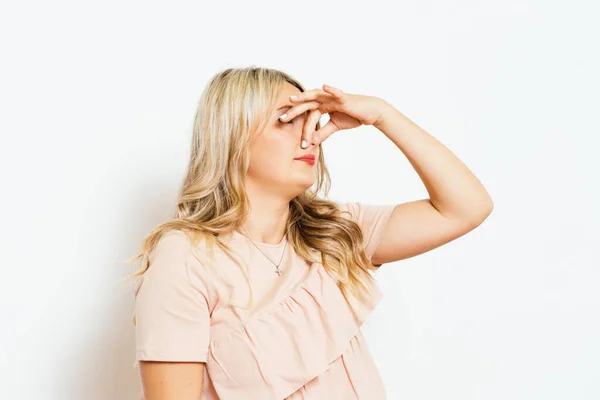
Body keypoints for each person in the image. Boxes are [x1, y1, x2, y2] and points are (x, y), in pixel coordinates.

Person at [127, 66, 493, 399]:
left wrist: (383, 115)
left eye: (310, 121)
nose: (310, 137)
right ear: (232, 136)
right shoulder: (186, 258)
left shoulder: (334, 233)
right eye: (287, 120)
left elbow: (466, 208)